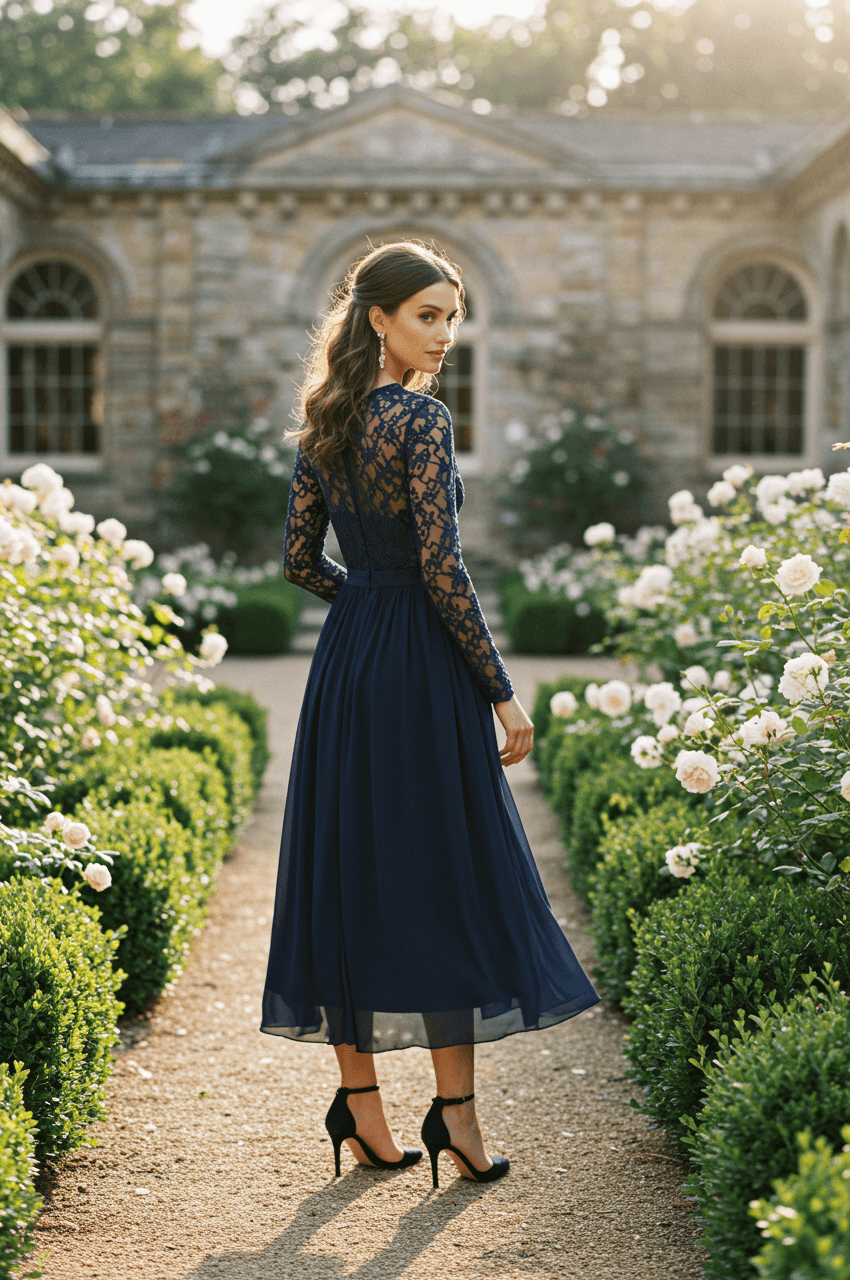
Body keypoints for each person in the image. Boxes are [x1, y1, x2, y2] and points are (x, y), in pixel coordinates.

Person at [261, 240, 600, 1189]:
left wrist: (366, 603)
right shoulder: (419, 418)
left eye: (453, 316)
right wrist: (499, 686)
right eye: (429, 316)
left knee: (347, 867)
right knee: (447, 875)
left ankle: (361, 1111)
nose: (445, 334)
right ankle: (456, 1121)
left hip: (349, 665)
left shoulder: (322, 422)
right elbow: (445, 569)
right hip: (422, 668)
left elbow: (297, 563)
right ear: (380, 318)